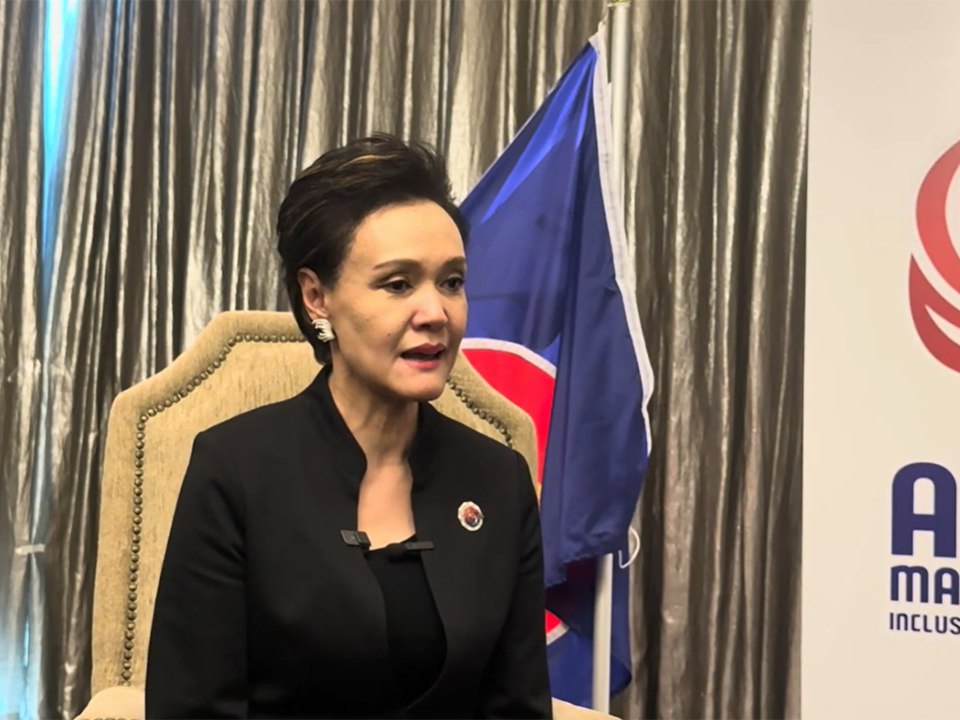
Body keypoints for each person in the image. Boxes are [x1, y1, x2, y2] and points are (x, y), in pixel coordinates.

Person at [145, 134, 552, 719]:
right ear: (317, 297)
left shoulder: (500, 480)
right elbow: (192, 709)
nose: (436, 313)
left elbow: (518, 708)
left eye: (452, 282)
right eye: (398, 284)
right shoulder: (235, 470)